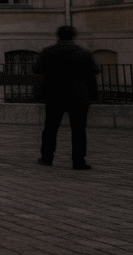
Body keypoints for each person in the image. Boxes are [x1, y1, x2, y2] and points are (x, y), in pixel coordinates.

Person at [36, 25, 99, 170]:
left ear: (58, 36)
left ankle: (47, 157)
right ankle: (78, 161)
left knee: (51, 128)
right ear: (73, 36)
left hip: (54, 95)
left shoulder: (48, 52)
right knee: (78, 130)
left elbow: (38, 69)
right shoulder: (84, 53)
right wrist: (92, 95)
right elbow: (93, 72)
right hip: (79, 96)